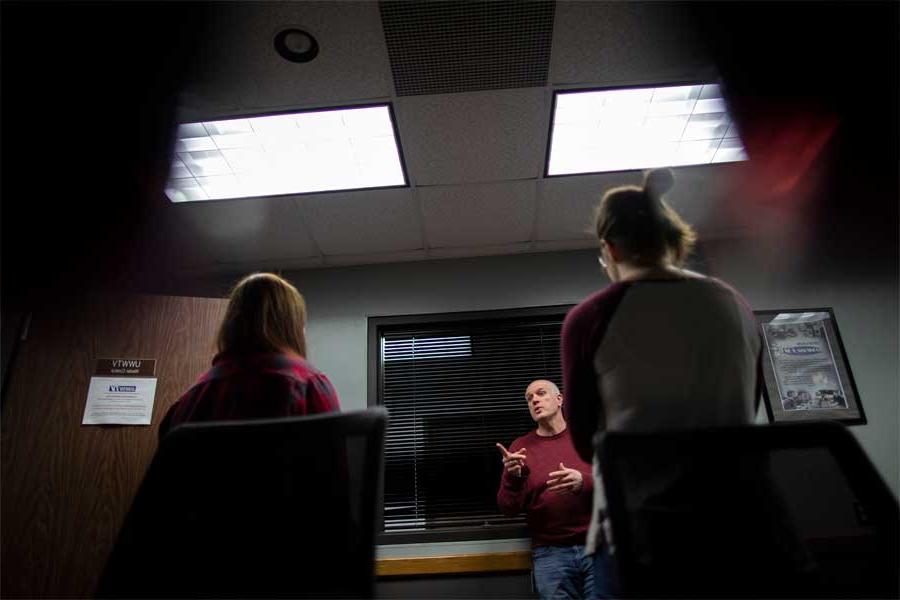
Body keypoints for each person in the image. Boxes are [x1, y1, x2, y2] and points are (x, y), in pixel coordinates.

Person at [561, 168, 762, 593]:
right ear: (673, 241)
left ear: (610, 249)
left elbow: (584, 442)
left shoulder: (591, 317)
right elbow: (750, 405)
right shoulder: (736, 305)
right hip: (736, 526)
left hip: (638, 534)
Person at [159, 272, 340, 439]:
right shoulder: (309, 385)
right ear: (292, 326)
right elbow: (335, 470)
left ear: (231, 323)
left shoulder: (191, 399)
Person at [496, 379, 612, 599]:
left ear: (560, 400)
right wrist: (513, 477)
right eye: (529, 399)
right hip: (551, 554)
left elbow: (618, 484)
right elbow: (508, 509)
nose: (535, 400)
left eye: (541, 393)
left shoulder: (588, 437)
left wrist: (584, 482)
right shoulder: (521, 448)